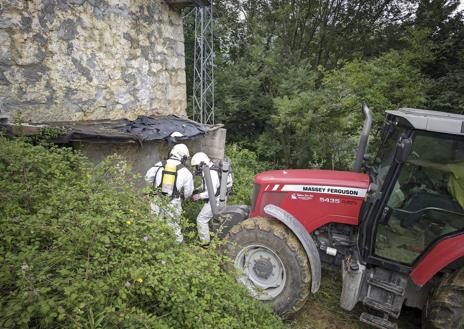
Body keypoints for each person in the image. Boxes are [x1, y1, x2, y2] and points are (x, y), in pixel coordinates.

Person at [145, 143, 194, 243]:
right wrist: (182, 198)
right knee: (174, 227)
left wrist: (154, 187)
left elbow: (147, 178)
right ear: (183, 157)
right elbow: (188, 192)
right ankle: (176, 250)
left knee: (154, 224)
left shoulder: (159, 164)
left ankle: (151, 246)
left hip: (156, 199)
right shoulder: (186, 172)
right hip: (174, 203)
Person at [191, 152, 221, 245]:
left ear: (201, 164)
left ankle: (205, 244)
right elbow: (206, 185)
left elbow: (211, 192)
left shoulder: (211, 173)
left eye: (196, 166)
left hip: (215, 200)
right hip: (216, 199)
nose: (196, 169)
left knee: (201, 219)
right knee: (210, 219)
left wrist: (198, 196)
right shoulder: (209, 169)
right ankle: (213, 237)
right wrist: (197, 189)